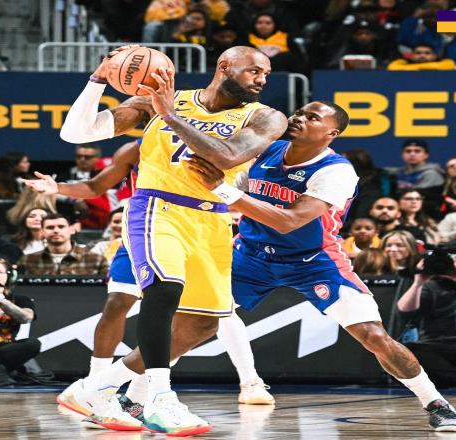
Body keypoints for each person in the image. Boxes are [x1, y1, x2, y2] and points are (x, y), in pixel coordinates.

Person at [184, 100, 456, 432]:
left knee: (373, 335)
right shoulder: (264, 151)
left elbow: (289, 221)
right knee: (189, 322)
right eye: (300, 113)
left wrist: (220, 189)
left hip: (314, 260)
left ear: (331, 133)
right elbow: (228, 182)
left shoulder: (337, 170)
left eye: (312, 117)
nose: (299, 118)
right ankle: (143, 391)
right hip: (251, 255)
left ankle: (436, 403)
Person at [55, 45, 287, 434]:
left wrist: (171, 117)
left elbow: (228, 155)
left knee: (202, 325)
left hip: (213, 219)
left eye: (265, 74)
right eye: (254, 71)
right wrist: (98, 79)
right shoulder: (159, 100)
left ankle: (94, 389)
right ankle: (160, 399)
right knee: (163, 291)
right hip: (157, 207)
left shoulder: (266, 117)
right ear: (224, 67)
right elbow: (75, 133)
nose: (262, 79)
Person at [25, 140, 275, 408]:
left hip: (201, 228)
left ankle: (134, 394)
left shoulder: (222, 140)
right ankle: (98, 380)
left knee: (203, 318)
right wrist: (59, 188)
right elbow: (96, 185)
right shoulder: (139, 146)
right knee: (119, 302)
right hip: (148, 225)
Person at [396, 230, 456, 389]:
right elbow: (405, 312)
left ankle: (452, 379)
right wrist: (418, 283)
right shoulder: (433, 284)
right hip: (436, 346)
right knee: (407, 351)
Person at [0, 258, 40, 387]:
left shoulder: (20, 300)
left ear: (10, 276)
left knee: (33, 344)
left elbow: (26, 318)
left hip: (1, 351)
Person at [17, 213, 109, 276]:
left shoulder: (97, 259)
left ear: (71, 230)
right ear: (42, 232)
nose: (56, 230)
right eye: (50, 227)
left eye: (61, 227)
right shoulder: (27, 260)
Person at [387, 43, 455, 70]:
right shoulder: (404, 62)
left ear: (434, 56)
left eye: (427, 53)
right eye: (418, 53)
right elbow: (392, 67)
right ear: (412, 56)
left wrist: (411, 68)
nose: (422, 55)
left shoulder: (444, 61)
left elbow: (450, 65)